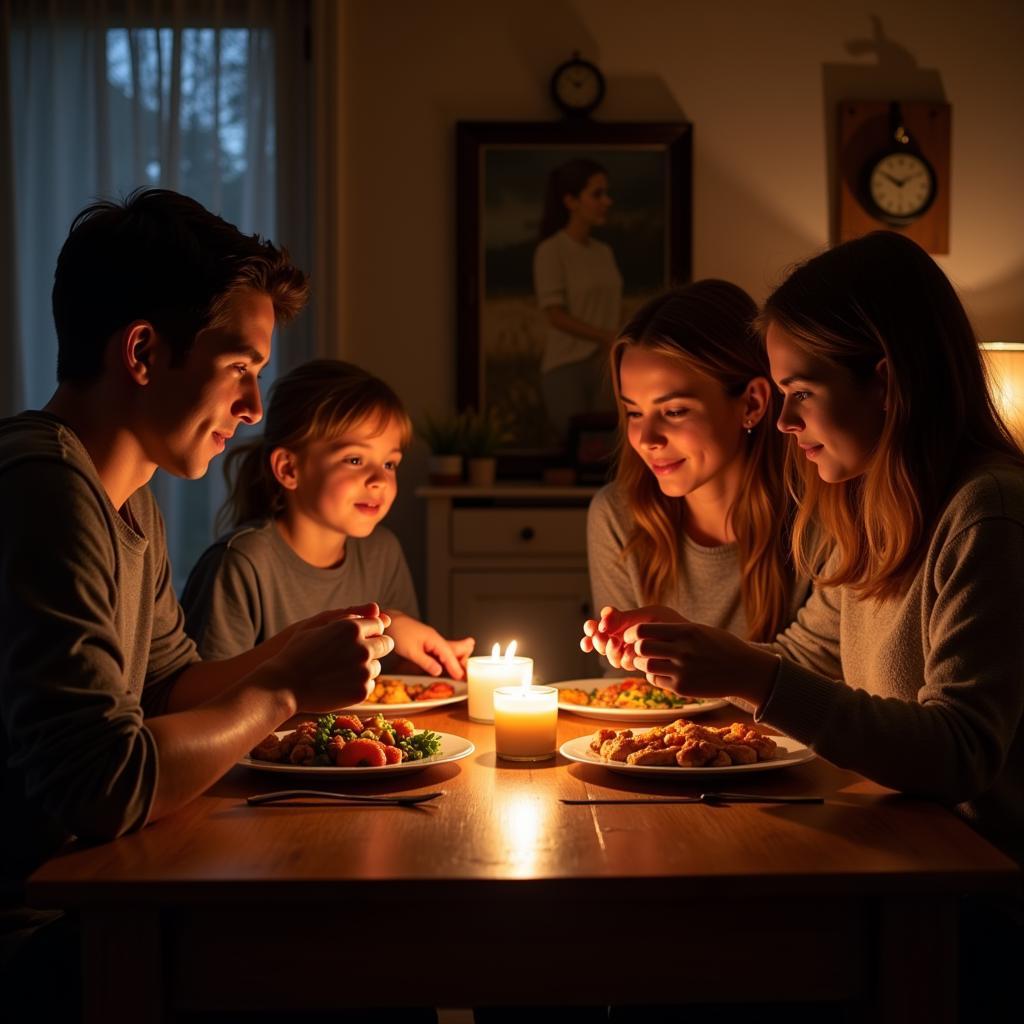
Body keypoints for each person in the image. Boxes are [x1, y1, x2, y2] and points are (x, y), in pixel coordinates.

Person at [0, 190, 394, 1015]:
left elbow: (165, 687)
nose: (253, 408)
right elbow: (99, 782)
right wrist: (283, 690)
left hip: (94, 890)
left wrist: (295, 650)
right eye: (240, 369)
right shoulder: (44, 488)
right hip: (36, 930)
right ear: (142, 352)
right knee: (366, 957)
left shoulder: (130, 497)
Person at [584, 231, 1024, 855]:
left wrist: (746, 672)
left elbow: (961, 753)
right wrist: (699, 648)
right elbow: (812, 658)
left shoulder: (986, 512)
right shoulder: (875, 506)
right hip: (894, 843)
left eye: (802, 395)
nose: (786, 423)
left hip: (973, 878)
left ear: (884, 381)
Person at [182, 359, 474, 678]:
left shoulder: (383, 552)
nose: (378, 479)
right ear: (289, 469)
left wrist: (431, 663)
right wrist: (383, 628)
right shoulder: (241, 564)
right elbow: (204, 697)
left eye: (390, 464)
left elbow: (390, 682)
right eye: (355, 459)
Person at [583, 280, 809, 668]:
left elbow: (819, 669)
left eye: (674, 411)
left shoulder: (817, 517)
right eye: (634, 412)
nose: (647, 439)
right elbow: (625, 689)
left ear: (751, 403)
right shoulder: (617, 516)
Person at [533, 158, 623, 441]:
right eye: (597, 194)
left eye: (606, 193)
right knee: (576, 446)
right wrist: (606, 336)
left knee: (607, 450)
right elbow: (555, 314)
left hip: (604, 366)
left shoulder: (603, 252)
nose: (606, 201)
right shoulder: (552, 251)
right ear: (571, 201)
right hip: (567, 367)